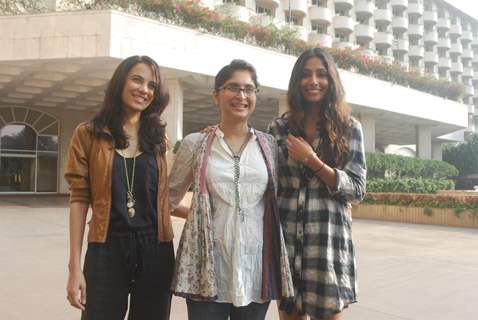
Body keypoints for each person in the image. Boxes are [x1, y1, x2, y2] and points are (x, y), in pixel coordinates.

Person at [168, 59, 294, 320]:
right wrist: (195, 215)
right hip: (206, 269)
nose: (241, 95)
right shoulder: (196, 143)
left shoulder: (270, 145)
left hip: (256, 269)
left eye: (249, 89)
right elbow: (167, 198)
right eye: (233, 88)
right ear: (216, 94)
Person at [64, 55, 174, 320]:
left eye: (152, 85)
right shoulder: (88, 133)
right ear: (119, 82)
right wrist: (74, 267)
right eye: (137, 79)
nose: (144, 89)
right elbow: (79, 198)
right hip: (106, 246)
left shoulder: (159, 138)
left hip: (156, 247)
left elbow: (164, 197)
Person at [268, 47, 367, 320]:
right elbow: (268, 185)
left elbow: (357, 189)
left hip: (327, 245)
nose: (313, 81)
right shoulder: (279, 128)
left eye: (321, 74)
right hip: (287, 242)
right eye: (306, 74)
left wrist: (312, 160)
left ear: (331, 80)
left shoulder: (350, 127)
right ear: (296, 81)